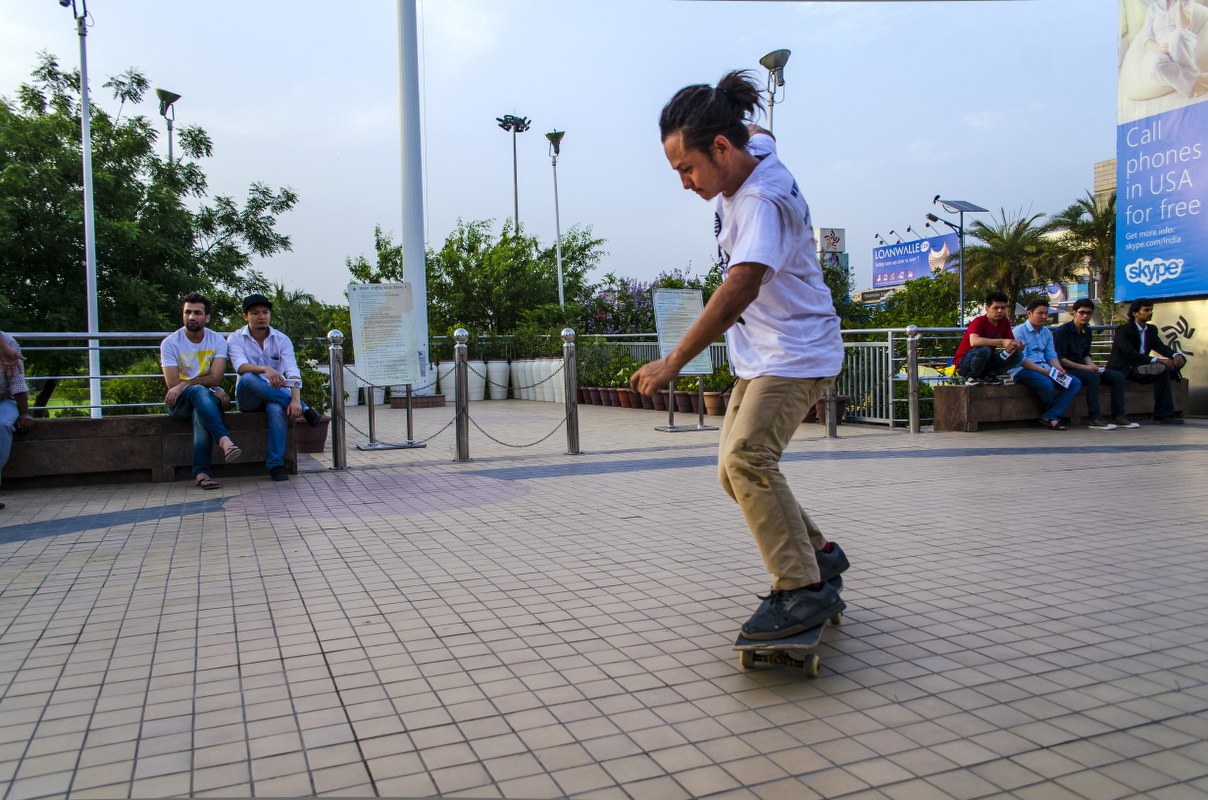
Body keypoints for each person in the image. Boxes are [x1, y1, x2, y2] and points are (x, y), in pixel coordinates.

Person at [630, 70, 847, 642]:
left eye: (688, 168)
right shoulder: (753, 149)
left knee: (749, 458)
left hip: (796, 353)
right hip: (764, 354)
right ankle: (819, 555)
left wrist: (674, 359)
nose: (684, 183)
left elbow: (740, 288)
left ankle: (801, 589)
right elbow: (760, 127)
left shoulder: (761, 201)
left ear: (722, 149)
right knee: (733, 472)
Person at [228, 293, 322, 481]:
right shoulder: (235, 338)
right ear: (245, 316)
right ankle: (306, 408)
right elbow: (240, 366)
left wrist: (295, 400)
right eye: (255, 313)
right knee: (248, 378)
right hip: (248, 397)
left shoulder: (281, 339)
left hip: (274, 396)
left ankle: (276, 465)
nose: (261, 316)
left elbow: (292, 371)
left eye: (265, 312)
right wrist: (265, 369)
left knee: (276, 409)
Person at [160, 292, 242, 489]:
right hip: (180, 403)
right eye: (187, 312)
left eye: (197, 313)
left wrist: (190, 384)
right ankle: (224, 440)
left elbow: (216, 377)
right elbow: (173, 384)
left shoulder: (217, 341)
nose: (191, 317)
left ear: (207, 317)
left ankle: (202, 474)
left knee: (201, 411)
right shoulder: (170, 343)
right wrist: (195, 386)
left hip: (207, 399)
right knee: (198, 392)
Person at [1053, 298, 1134, 430]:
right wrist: (1086, 368)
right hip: (1068, 369)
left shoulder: (1087, 331)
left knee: (1117, 377)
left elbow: (1086, 353)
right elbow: (1060, 358)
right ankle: (1095, 417)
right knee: (1093, 377)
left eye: (1089, 313)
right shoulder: (1063, 331)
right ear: (1074, 313)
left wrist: (1093, 366)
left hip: (1083, 367)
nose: (1085, 316)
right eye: (1082, 312)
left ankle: (1119, 415)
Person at [1107, 298, 1187, 425]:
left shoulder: (1151, 330)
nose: (1150, 312)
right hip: (1126, 368)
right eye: (1146, 310)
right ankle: (1163, 412)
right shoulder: (1123, 330)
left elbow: (1160, 347)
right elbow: (1130, 354)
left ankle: (1164, 415)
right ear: (1135, 313)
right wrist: (1156, 359)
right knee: (1161, 368)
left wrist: (1176, 355)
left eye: (1151, 310)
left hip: (1142, 367)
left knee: (1163, 370)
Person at [1010, 299, 1082, 430]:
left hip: (1046, 369)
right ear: (1029, 313)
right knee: (1046, 384)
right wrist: (1045, 372)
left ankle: (1050, 415)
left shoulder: (1046, 332)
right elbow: (1021, 360)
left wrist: (1059, 369)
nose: (1044, 317)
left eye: (1046, 313)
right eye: (1040, 313)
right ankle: (1053, 417)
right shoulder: (1019, 331)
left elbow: (1051, 356)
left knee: (1074, 382)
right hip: (1023, 370)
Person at [1140, 0, 1208, 99]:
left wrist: (1180, 4)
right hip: (1162, 48)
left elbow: (1183, 26)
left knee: (1178, 35)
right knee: (1157, 68)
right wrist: (1158, 47)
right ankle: (1198, 79)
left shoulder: (1186, 2)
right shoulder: (1153, 9)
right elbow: (1146, 39)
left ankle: (1192, 83)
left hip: (1181, 42)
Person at [952, 291, 1023, 384]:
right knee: (985, 350)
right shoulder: (979, 321)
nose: (1000, 311)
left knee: (1017, 355)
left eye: (1003, 308)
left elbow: (1010, 341)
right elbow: (974, 341)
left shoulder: (1004, 322)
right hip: (965, 363)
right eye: (996, 308)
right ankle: (971, 377)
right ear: (987, 308)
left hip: (985, 361)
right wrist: (1001, 341)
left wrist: (1016, 346)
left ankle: (989, 375)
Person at [0, 332, 34, 510]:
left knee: (2, 425)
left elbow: (17, 382)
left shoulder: (9, 342)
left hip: (4, 399)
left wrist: (24, 413)